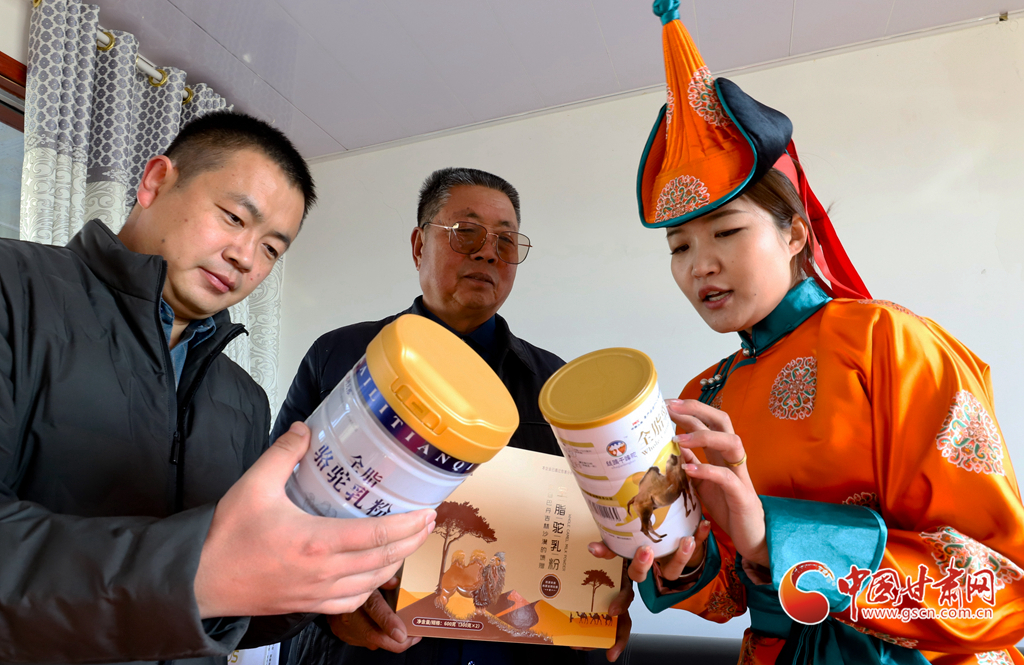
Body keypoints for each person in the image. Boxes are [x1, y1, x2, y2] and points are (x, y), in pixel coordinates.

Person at [590, 2, 1024, 663]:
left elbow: (998, 583)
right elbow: (728, 595)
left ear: (794, 233)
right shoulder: (703, 395)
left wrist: (777, 538)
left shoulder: (888, 342)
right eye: (679, 247)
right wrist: (680, 557)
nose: (700, 264)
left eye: (726, 232)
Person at [0, 111, 435, 664]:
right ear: (155, 181)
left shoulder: (243, 399)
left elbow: (229, 607)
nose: (245, 257)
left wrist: (324, 599)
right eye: (233, 217)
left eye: (272, 248)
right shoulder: (13, 289)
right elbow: (206, 578)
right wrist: (198, 573)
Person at [277, 167, 632, 664]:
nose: (488, 253)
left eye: (505, 241)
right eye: (466, 233)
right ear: (419, 244)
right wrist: (325, 611)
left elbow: (596, 520)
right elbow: (274, 507)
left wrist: (606, 589)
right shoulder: (341, 357)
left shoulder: (557, 385)